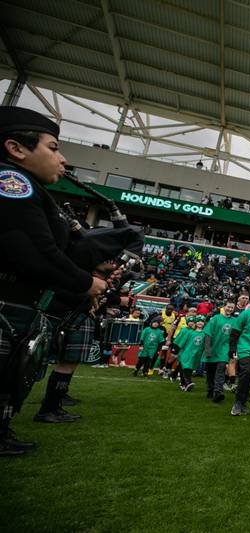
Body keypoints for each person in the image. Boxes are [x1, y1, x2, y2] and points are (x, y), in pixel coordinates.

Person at [0, 107, 107, 453]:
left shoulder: (30, 187)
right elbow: (37, 252)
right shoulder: (11, 182)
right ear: (16, 148)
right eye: (53, 147)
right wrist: (86, 283)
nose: (61, 159)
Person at [203, 300, 236, 403]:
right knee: (210, 372)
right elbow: (208, 334)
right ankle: (210, 389)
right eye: (228, 307)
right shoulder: (215, 318)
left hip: (224, 350)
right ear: (224, 306)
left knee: (221, 369)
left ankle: (218, 392)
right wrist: (208, 350)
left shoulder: (235, 321)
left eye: (232, 308)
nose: (230, 309)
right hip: (213, 349)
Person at [224, 293, 250, 391]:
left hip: (243, 338)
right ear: (238, 299)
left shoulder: (248, 311)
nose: (245, 299)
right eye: (243, 298)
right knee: (232, 359)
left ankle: (227, 381)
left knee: (236, 360)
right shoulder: (233, 309)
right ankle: (231, 383)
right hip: (231, 337)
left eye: (247, 298)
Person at [174, 316, 206, 391]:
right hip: (187, 352)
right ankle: (188, 382)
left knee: (190, 368)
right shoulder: (190, 332)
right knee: (186, 367)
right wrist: (176, 350)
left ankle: (184, 384)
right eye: (198, 321)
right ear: (196, 323)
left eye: (202, 321)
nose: (200, 323)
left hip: (196, 354)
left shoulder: (205, 334)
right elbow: (182, 342)